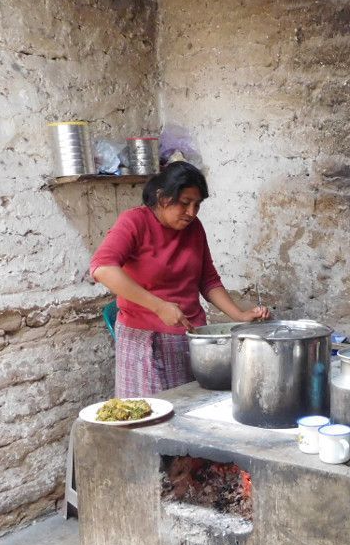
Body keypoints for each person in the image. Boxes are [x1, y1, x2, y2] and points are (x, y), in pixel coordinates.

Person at [90, 161, 269, 397]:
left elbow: (208, 280)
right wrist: (159, 306)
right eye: (185, 203)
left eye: (197, 205)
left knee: (190, 408)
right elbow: (102, 268)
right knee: (152, 413)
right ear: (162, 197)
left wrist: (240, 316)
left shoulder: (194, 228)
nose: (191, 212)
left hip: (190, 338)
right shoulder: (134, 222)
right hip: (144, 343)